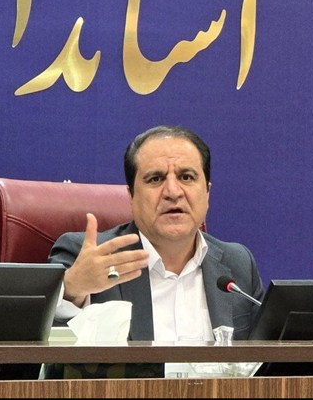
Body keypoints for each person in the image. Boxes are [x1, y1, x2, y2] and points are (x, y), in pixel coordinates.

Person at [46, 125, 264, 378]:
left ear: (207, 192)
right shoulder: (91, 257)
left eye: (186, 177)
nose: (173, 192)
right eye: (155, 179)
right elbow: (42, 349)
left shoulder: (237, 263)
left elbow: (266, 363)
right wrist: (73, 289)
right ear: (131, 195)